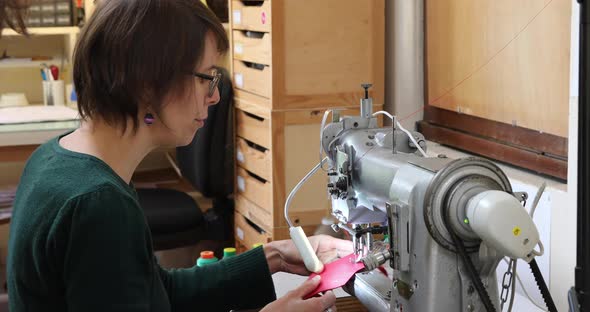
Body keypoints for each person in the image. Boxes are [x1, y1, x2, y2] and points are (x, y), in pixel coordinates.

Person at [6, 0, 352, 311]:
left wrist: (273, 257)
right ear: (147, 81)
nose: (214, 97)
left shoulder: (56, 157)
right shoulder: (98, 204)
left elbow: (155, 292)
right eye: (206, 78)